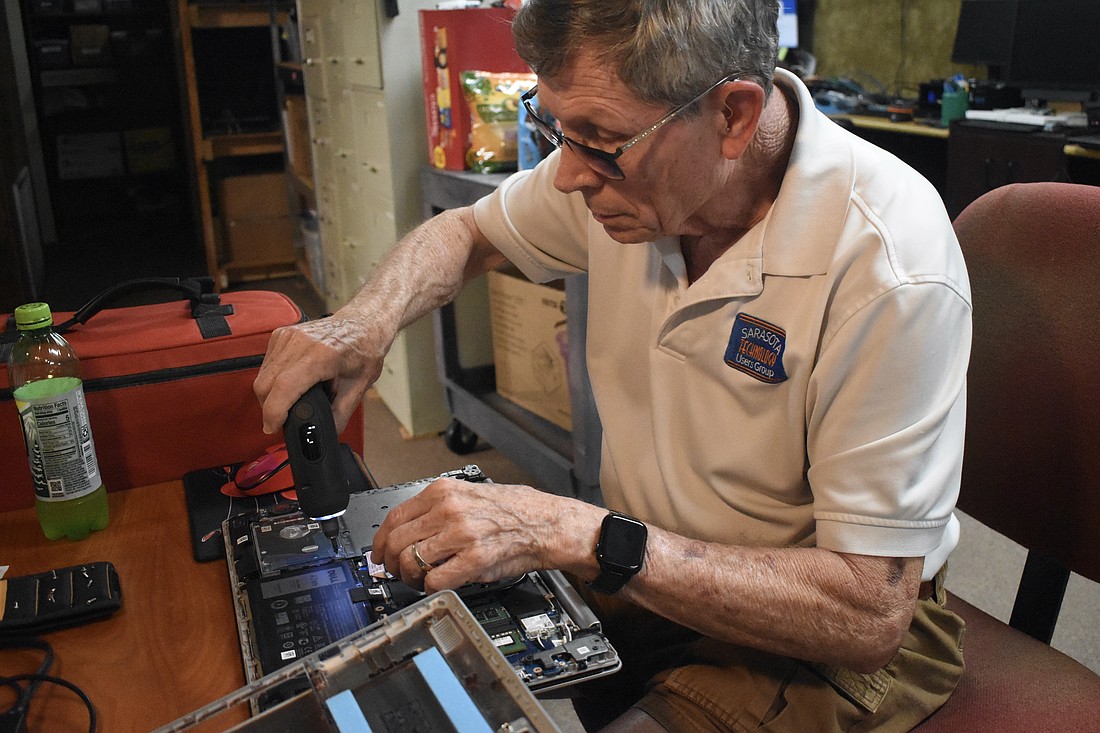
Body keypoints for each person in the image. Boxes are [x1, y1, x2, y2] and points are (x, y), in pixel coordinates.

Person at [253, 0, 971, 730]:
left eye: (600, 141)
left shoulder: (887, 263)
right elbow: (467, 231)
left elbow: (867, 611)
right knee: (374, 655)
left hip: (818, 629)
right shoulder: (632, 175)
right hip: (647, 565)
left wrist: (580, 534)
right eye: (556, 127)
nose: (568, 178)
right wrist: (363, 323)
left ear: (735, 115)